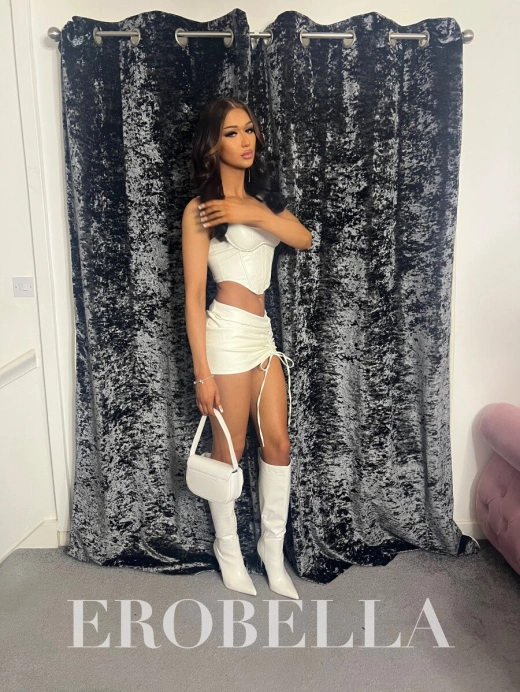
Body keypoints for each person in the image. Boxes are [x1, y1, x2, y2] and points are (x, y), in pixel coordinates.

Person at [181, 97, 312, 599]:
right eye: (232, 133)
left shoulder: (262, 200)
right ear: (213, 145)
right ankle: (229, 550)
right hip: (226, 335)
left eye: (250, 129)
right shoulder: (200, 210)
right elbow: (194, 295)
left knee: (278, 444)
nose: (245, 140)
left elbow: (302, 238)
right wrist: (202, 373)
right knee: (230, 450)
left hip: (263, 336)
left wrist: (249, 210)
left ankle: (271, 553)